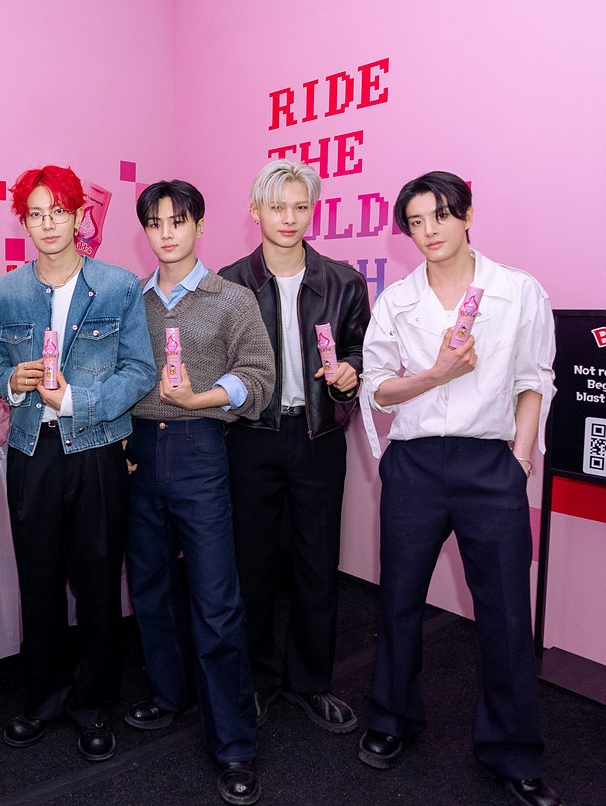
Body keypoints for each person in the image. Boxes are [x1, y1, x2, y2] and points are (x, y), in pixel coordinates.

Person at [357, 171, 561, 806]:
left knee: (506, 613)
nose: (429, 232)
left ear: (467, 214)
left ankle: (513, 751)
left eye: (440, 216)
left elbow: (534, 379)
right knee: (398, 602)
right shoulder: (397, 300)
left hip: (490, 466)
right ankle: (392, 719)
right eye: (416, 223)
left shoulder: (518, 291)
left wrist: (518, 462)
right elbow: (378, 389)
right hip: (415, 464)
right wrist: (437, 373)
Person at [0, 165, 157, 763]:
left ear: (80, 215)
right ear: (24, 221)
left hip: (97, 450)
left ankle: (93, 705)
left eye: (58, 211)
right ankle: (44, 699)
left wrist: (80, 401)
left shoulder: (117, 286)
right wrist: (11, 381)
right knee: (37, 583)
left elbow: (140, 369)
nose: (48, 224)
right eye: (35, 214)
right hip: (31, 450)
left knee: (97, 582)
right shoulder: (6, 292)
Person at [124, 179, 274, 805]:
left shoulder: (231, 298)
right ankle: (169, 694)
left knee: (216, 599)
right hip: (137, 449)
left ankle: (234, 742)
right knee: (150, 587)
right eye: (155, 222)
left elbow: (259, 376)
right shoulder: (129, 300)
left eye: (178, 221)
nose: (166, 233)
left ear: (200, 225)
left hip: (201, 447)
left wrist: (202, 397)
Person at [217, 160, 370, 733]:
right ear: (255, 211)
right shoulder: (228, 283)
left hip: (317, 436)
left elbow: (359, 350)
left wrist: (350, 372)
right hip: (249, 437)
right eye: (277, 206)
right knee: (251, 566)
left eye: (300, 206)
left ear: (313, 211)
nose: (289, 218)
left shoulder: (343, 282)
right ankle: (256, 681)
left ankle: (311, 681)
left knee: (317, 563)